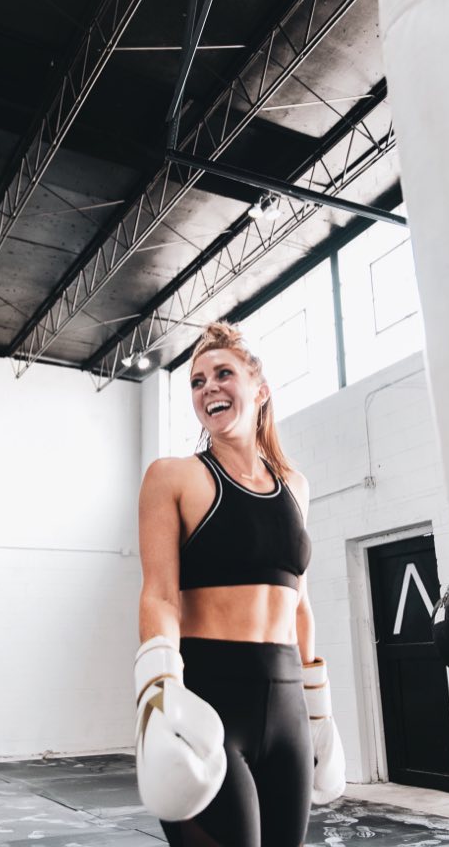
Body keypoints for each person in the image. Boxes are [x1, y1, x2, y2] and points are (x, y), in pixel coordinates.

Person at [134, 321, 345, 847]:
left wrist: (319, 710)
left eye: (223, 373)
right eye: (197, 381)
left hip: (289, 704)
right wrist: (158, 694)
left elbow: (300, 605)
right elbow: (160, 595)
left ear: (260, 389)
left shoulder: (295, 487)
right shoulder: (172, 477)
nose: (208, 387)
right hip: (210, 699)